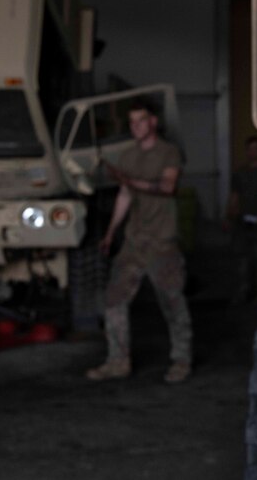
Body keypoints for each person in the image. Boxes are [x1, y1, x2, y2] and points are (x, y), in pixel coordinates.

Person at [86, 102, 192, 384]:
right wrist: (110, 234)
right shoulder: (128, 155)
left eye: (141, 121)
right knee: (114, 301)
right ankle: (117, 361)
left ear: (153, 122)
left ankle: (181, 361)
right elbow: (125, 196)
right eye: (131, 122)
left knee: (172, 303)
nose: (136, 127)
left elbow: (168, 187)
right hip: (134, 243)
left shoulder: (168, 152)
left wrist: (128, 180)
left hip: (162, 243)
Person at [225, 135, 257, 305]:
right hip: (242, 222)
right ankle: (243, 293)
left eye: (256, 148)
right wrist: (229, 216)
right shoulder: (240, 173)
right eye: (250, 149)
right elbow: (234, 197)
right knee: (241, 261)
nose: (253, 152)